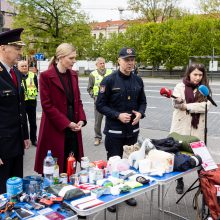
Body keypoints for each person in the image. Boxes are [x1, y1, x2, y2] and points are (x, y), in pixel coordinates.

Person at [96, 47, 147, 212]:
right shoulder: (109, 80)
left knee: (130, 163)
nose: (130, 63)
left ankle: (127, 193)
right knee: (114, 164)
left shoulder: (138, 80)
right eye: (127, 60)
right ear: (119, 61)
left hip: (132, 131)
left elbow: (143, 102)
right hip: (114, 132)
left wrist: (140, 113)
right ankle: (111, 197)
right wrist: (117, 115)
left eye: (132, 59)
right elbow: (100, 105)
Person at [34, 43, 87, 174]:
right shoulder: (46, 76)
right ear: (60, 57)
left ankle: (70, 191)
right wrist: (67, 123)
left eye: (75, 58)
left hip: (73, 127)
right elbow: (47, 105)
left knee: (71, 164)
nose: (74, 61)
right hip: (55, 127)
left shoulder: (73, 75)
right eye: (71, 58)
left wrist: (81, 119)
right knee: (54, 169)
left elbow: (78, 101)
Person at [170, 63, 211, 194]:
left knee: (200, 155)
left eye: (200, 75)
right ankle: (179, 181)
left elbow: (205, 106)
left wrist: (187, 106)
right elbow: (175, 104)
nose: (198, 77)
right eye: (195, 74)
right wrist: (178, 102)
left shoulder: (205, 89)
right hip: (180, 127)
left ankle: (203, 183)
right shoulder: (179, 86)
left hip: (197, 129)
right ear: (189, 74)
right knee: (178, 153)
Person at [0, 28, 30, 193]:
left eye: (21, 48)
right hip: (2, 145)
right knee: (2, 191)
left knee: (16, 188)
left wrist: (25, 135)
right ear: (3, 48)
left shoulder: (16, 73)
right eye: (17, 48)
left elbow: (21, 106)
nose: (20, 52)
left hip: (17, 142)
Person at [87, 57, 112, 146]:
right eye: (100, 63)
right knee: (98, 121)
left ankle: (111, 137)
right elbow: (89, 88)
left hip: (109, 100)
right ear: (96, 65)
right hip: (99, 101)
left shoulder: (110, 72)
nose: (102, 65)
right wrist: (94, 97)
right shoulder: (92, 74)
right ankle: (97, 137)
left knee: (111, 119)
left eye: (103, 63)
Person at [18, 60, 38, 146]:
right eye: (22, 66)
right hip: (21, 103)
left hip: (31, 102)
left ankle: (34, 140)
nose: (24, 67)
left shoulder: (33, 75)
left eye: (25, 66)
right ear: (18, 67)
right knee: (23, 122)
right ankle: (24, 140)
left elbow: (36, 86)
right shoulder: (16, 76)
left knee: (33, 122)